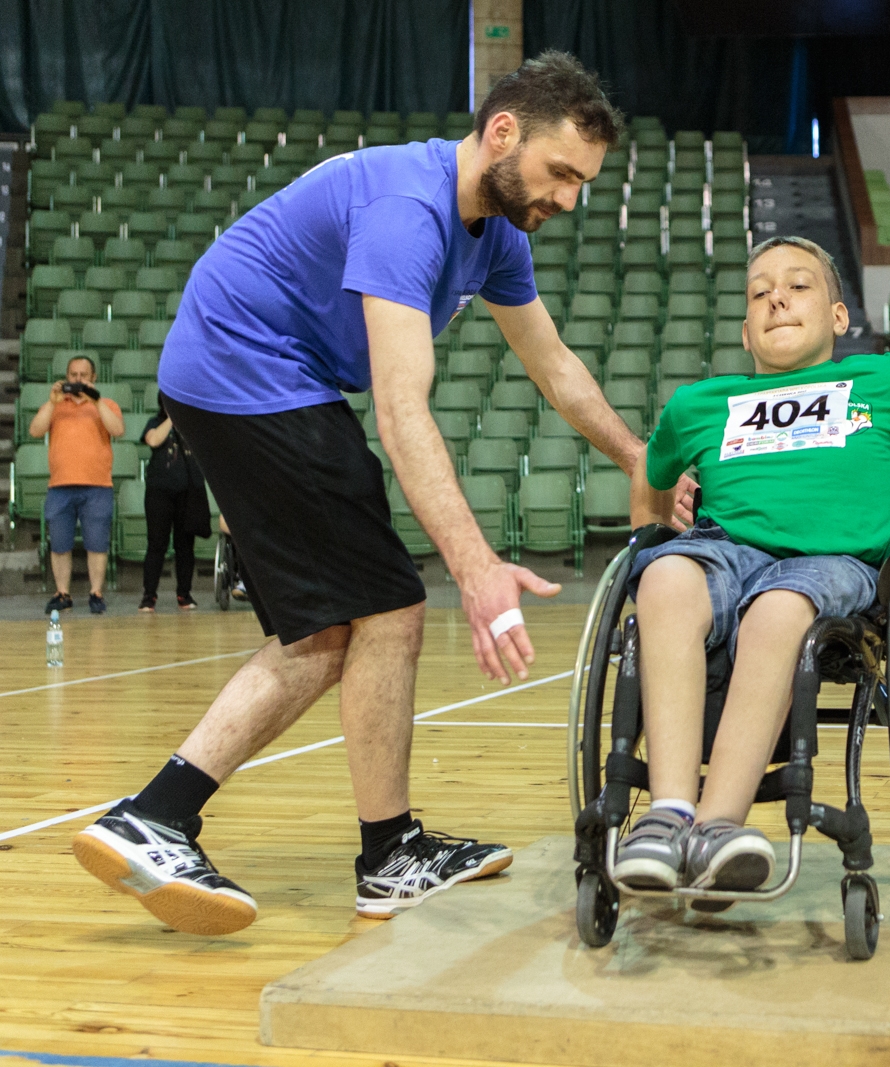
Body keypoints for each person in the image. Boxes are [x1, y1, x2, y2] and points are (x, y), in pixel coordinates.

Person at [73, 53, 678, 937]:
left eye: (583, 181)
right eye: (560, 174)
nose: (569, 199)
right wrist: (475, 570)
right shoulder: (408, 211)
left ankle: (176, 815)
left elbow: (554, 367)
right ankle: (343, 847)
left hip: (260, 381)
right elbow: (400, 412)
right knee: (389, 609)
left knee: (329, 628)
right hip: (248, 373)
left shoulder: (499, 231)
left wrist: (635, 457)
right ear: (502, 132)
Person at [614, 236, 890, 900]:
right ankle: (668, 815)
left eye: (798, 284)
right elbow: (650, 473)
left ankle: (719, 825)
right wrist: (653, 532)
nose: (776, 295)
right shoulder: (699, 404)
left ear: (839, 316)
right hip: (725, 551)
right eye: (759, 291)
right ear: (746, 330)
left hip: (835, 564)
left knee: (778, 611)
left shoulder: (889, 381)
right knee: (662, 577)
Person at [29, 355, 124, 615]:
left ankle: (96, 593)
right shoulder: (56, 405)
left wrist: (95, 400)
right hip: (60, 485)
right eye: (73, 374)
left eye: (83, 375)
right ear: (66, 377)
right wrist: (51, 402)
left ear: (93, 378)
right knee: (59, 544)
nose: (78, 379)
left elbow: (117, 430)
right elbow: (35, 431)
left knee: (97, 543)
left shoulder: (107, 404)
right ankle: (62, 594)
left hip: (97, 486)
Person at [138, 397, 212, 612]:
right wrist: (173, 418)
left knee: (185, 546)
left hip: (188, 493)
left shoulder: (194, 425)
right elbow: (153, 440)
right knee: (156, 544)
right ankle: (149, 595)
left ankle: (184, 594)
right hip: (159, 492)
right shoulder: (155, 421)